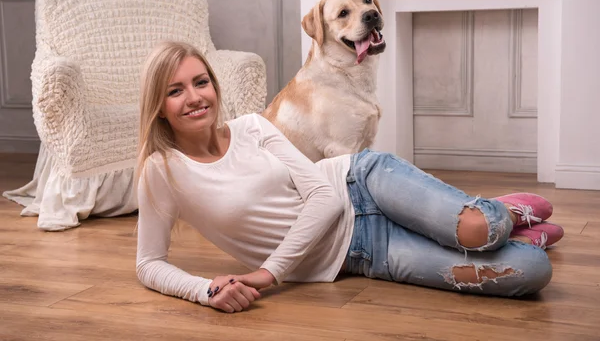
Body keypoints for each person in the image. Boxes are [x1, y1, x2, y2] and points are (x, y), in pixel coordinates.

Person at [135, 41, 564, 314]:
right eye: (175, 91)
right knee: (529, 271)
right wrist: (206, 290)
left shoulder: (253, 127)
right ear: (158, 105)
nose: (194, 98)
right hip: (361, 255)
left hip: (362, 185)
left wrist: (269, 273)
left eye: (201, 82)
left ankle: (503, 214)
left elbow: (325, 197)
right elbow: (149, 264)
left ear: (214, 86)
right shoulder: (162, 171)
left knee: (482, 228)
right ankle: (515, 233)